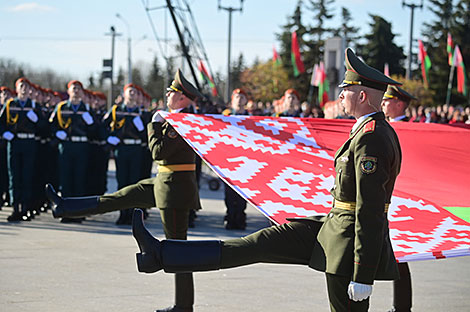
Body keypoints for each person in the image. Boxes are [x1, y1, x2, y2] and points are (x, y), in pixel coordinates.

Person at [131, 48, 402, 312]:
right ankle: (162, 254)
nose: (340, 94)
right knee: (258, 244)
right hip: (334, 226)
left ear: (363, 95)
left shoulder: (372, 137)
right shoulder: (366, 131)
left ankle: (163, 254)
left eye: (347, 89)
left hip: (348, 243)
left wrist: (363, 273)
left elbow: (371, 210)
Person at [46, 69, 203, 312]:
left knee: (178, 248)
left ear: (182, 97)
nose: (168, 94)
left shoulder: (182, 122)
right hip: (163, 182)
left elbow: (158, 152)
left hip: (174, 191)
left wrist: (154, 125)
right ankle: (64, 206)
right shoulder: (178, 118)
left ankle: (184, 305)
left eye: (172, 91)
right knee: (120, 197)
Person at [381, 85, 416, 312]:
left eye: (387, 100)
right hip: (387, 193)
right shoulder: (386, 127)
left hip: (403, 197)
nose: (383, 104)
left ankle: (402, 306)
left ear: (399, 104)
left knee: (400, 255)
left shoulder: (410, 129)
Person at [49, 80, 96, 223]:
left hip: (81, 146)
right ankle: (66, 212)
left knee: (79, 180)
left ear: (82, 92)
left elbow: (95, 131)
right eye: (73, 88)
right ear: (68, 91)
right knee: (66, 179)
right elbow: (51, 125)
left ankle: (78, 213)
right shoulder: (61, 107)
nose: (76, 91)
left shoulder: (87, 109)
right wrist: (57, 134)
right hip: (67, 146)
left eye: (78, 89)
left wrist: (91, 123)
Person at [103, 83, 150, 225]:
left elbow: (147, 135)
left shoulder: (142, 113)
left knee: (134, 183)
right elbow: (102, 126)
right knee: (122, 182)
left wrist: (141, 128)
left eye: (135, 92)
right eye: (130, 91)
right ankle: (123, 213)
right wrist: (110, 137)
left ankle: (132, 215)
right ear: (124, 94)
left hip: (135, 149)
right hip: (122, 149)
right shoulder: (115, 111)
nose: (132, 94)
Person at [0, 78, 44, 221]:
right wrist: (5, 133)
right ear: (17, 89)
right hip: (15, 142)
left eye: (26, 86)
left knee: (27, 175)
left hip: (29, 142)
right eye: (21, 86)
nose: (24, 89)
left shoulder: (34, 106)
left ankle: (26, 207)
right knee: (14, 175)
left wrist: (36, 119)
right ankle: (16, 207)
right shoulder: (10, 105)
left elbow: (44, 127)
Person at [222, 88, 249, 229]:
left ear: (246, 101)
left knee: (243, 191)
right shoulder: (225, 116)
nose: (239, 100)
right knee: (229, 191)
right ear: (232, 100)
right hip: (229, 159)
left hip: (246, 159)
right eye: (236, 97)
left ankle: (240, 216)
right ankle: (230, 216)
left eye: (242, 97)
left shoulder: (251, 118)